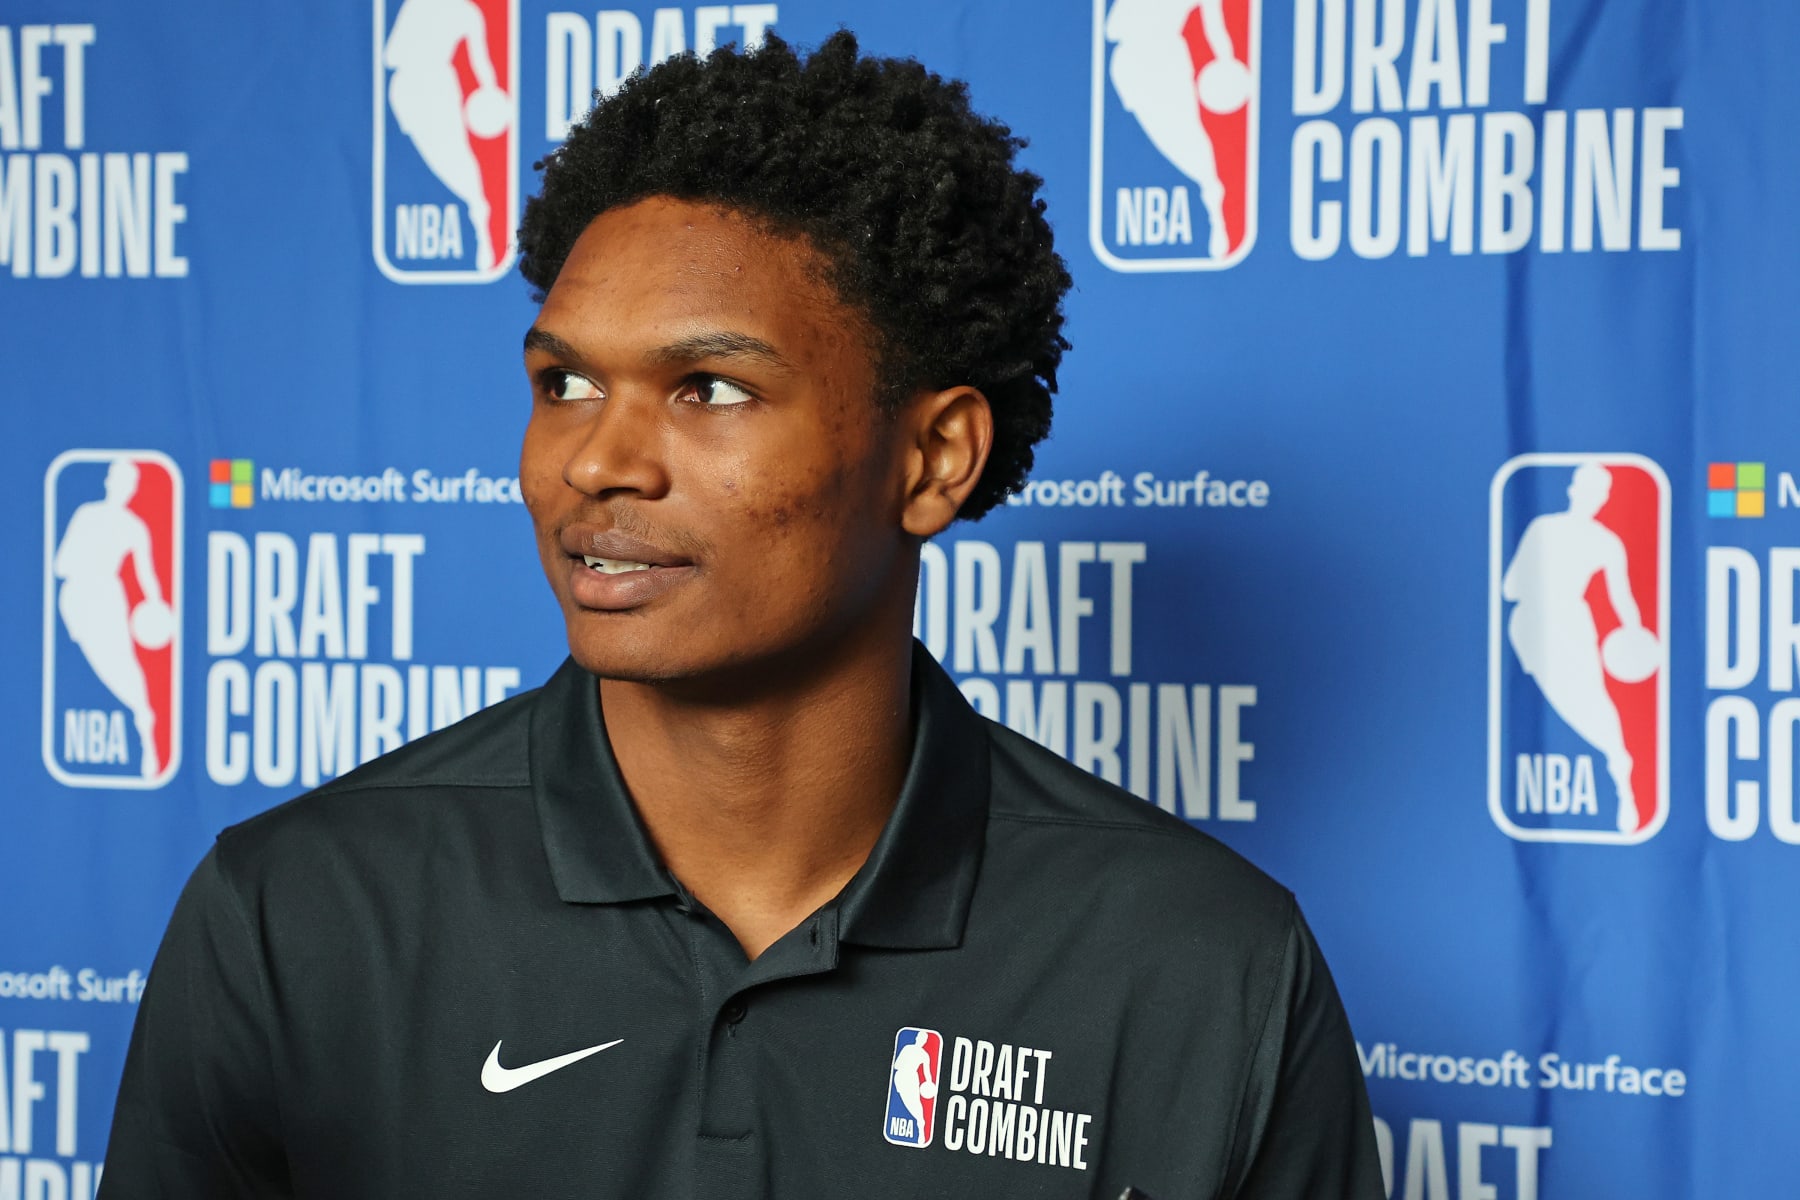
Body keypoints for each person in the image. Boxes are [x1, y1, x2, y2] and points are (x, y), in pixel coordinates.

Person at [100, 31, 1383, 1197]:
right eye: (564, 381)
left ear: (934, 460)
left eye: (708, 389)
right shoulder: (293, 915)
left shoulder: (1204, 966)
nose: (596, 461)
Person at [1502, 462, 1651, 833]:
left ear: (1604, 499)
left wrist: (1634, 634)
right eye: (1588, 489)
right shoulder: (1543, 529)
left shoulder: (1606, 543)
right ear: (1573, 490)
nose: (1592, 498)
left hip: (1571, 629)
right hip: (1531, 630)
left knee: (1593, 704)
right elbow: (1509, 588)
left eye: (1598, 492)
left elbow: (1623, 599)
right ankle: (1618, 764)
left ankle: (1622, 774)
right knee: (1553, 704)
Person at [54, 458, 168, 779]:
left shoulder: (135, 527)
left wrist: (156, 604)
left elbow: (147, 576)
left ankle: (145, 727)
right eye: (118, 480)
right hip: (78, 600)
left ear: (133, 489)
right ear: (108, 482)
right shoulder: (87, 515)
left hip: (109, 599)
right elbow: (61, 565)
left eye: (129, 483)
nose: (123, 488)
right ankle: (142, 719)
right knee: (97, 670)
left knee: (126, 670)